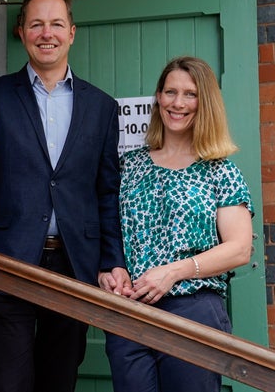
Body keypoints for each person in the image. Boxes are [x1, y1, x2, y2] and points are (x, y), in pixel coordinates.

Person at [0, 0, 131, 392]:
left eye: (57, 24)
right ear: (22, 31)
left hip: (74, 268)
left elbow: (106, 190)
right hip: (7, 264)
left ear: (72, 33)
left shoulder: (101, 107)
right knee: (6, 382)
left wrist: (111, 259)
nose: (48, 33)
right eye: (37, 24)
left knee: (58, 382)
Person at [104, 56, 253, 392]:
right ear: (158, 97)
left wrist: (173, 271)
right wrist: (110, 268)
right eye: (170, 92)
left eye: (190, 94)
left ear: (206, 103)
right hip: (130, 310)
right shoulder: (128, 166)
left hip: (194, 310)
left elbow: (240, 248)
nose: (178, 103)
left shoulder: (220, 170)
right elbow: (107, 228)